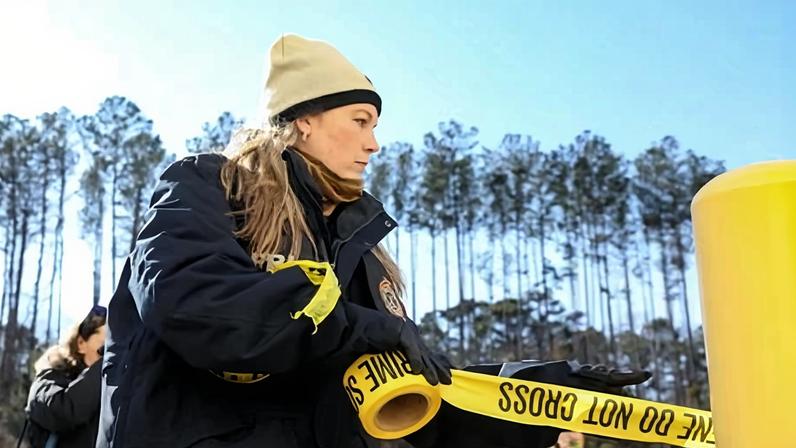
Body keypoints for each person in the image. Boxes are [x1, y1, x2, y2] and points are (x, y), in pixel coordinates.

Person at [97, 34, 451, 448]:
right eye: (359, 120)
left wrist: (522, 429)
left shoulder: (360, 244)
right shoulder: (209, 186)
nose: (373, 143)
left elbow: (401, 398)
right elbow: (194, 305)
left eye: (374, 126)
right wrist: (361, 326)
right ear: (306, 119)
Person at [23, 305, 107, 448]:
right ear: (81, 343)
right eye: (105, 349)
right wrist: (106, 364)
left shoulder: (110, 388)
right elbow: (64, 411)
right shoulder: (48, 380)